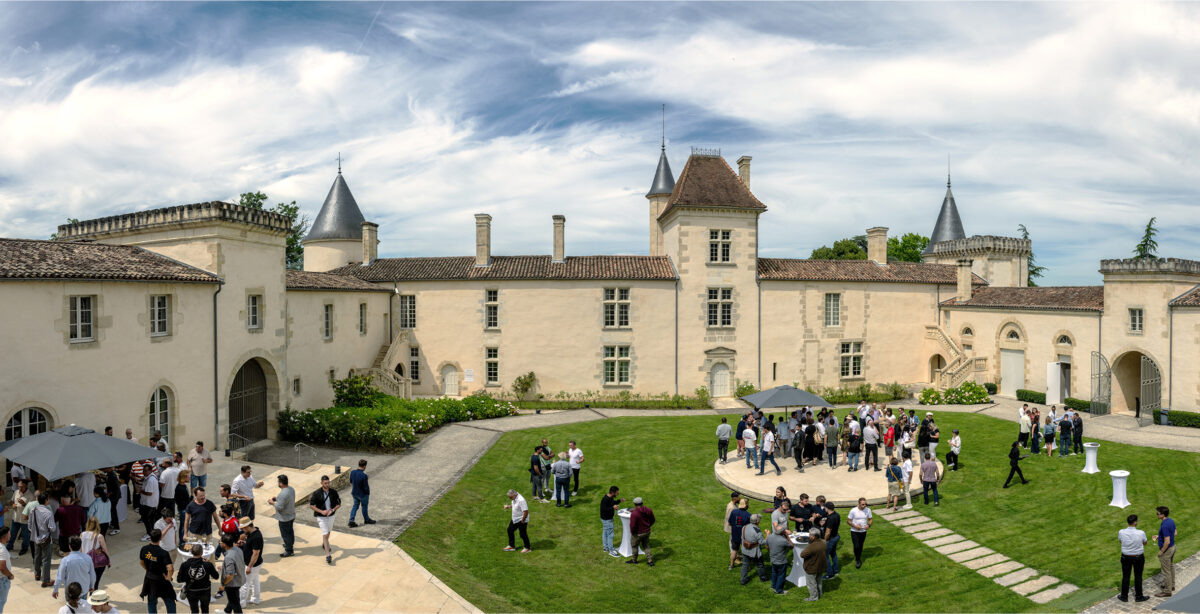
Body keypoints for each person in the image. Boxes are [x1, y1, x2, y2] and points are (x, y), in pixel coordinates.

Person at [139, 529, 175, 613]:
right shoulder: (163, 553)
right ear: (160, 538)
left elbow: (141, 562)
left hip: (149, 580)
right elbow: (170, 568)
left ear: (150, 538)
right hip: (162, 580)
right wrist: (168, 578)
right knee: (170, 601)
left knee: (151, 602)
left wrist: (148, 569)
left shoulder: (144, 549)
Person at [53, 535, 96, 602]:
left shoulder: (65, 560)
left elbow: (60, 577)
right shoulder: (88, 558)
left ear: (69, 546)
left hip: (70, 592)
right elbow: (92, 574)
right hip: (84, 589)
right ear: (80, 546)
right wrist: (92, 586)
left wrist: (55, 589)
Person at [309, 475, 341, 565]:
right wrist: (321, 511)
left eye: (328, 482)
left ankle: (325, 543)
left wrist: (332, 510)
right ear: (321, 483)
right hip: (321, 517)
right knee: (325, 534)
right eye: (325, 483)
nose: (327, 484)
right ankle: (328, 555)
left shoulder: (333, 492)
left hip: (331, 516)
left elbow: (339, 504)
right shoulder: (316, 493)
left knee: (328, 532)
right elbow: (311, 505)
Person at [178, 544, 218, 613]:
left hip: (191, 591)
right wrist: (210, 563)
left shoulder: (185, 565)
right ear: (202, 553)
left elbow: (179, 579)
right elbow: (216, 576)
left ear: (191, 551)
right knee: (205, 610)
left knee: (194, 611)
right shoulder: (208, 564)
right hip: (205, 590)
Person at [1118, 514, 1150, 602]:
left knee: (1125, 576)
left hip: (1125, 557)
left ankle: (1124, 596)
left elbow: (1121, 541)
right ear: (1135, 522)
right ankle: (1139, 596)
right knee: (1138, 576)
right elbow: (1145, 543)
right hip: (1138, 557)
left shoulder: (1121, 532)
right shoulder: (1141, 533)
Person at [31, 491, 58, 586]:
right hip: (46, 539)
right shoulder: (49, 513)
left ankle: (37, 574)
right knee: (46, 559)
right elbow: (52, 528)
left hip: (36, 537)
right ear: (46, 500)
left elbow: (30, 525)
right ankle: (46, 580)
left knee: (37, 556)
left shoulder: (33, 510)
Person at [268, 476, 296, 558]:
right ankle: (290, 544)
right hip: (291, 515)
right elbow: (287, 499)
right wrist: (277, 499)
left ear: (280, 483)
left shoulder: (283, 493)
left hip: (284, 518)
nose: (278, 483)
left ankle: (289, 550)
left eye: (278, 482)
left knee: (285, 534)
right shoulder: (291, 489)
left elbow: (279, 507)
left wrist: (272, 503)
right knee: (290, 531)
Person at [237, 517, 263, 605]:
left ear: (248, 526)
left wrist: (249, 566)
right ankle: (256, 599)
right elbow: (252, 547)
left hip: (252, 564)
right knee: (254, 582)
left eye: (243, 528)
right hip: (256, 564)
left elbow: (255, 554)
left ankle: (241, 604)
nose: (242, 530)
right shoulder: (253, 533)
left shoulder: (256, 537)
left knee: (244, 584)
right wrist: (245, 543)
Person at [218, 534, 246, 613]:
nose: (220, 543)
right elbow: (237, 563)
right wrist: (224, 566)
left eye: (220, 542)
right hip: (240, 579)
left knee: (235, 603)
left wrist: (223, 585)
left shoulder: (229, 557)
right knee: (233, 598)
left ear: (224, 544)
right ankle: (227, 611)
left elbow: (230, 575)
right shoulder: (238, 549)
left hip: (232, 584)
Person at [81, 517, 110, 590]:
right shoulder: (99, 536)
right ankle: (92, 598)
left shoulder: (82, 534)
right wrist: (108, 560)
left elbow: (80, 550)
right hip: (97, 563)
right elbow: (105, 550)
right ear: (97, 524)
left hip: (85, 562)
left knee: (86, 582)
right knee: (95, 583)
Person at [740, 513, 767, 584]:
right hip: (754, 552)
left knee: (745, 565)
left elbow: (742, 538)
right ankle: (763, 578)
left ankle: (743, 580)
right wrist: (767, 535)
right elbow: (763, 543)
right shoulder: (757, 532)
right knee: (760, 565)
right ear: (757, 521)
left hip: (745, 550)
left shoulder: (744, 527)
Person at [627, 497, 655, 566]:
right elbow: (653, 520)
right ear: (642, 503)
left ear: (634, 504)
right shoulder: (648, 510)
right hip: (647, 531)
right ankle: (650, 560)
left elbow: (632, 526)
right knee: (646, 546)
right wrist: (648, 526)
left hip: (638, 533)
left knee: (634, 546)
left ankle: (634, 560)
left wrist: (633, 533)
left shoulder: (634, 514)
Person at [800, 531, 827, 601]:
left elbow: (802, 554)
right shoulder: (824, 542)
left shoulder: (811, 547)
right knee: (819, 580)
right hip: (821, 565)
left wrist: (809, 544)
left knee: (811, 583)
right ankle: (819, 593)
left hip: (812, 567)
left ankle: (814, 597)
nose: (809, 536)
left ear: (813, 537)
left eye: (810, 535)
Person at [502, 489, 531, 553]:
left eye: (510, 497)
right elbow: (516, 506)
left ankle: (527, 548)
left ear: (514, 495)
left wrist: (522, 521)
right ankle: (511, 546)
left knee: (522, 534)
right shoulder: (514, 498)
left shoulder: (521, 500)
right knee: (510, 530)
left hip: (521, 519)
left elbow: (526, 511)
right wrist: (509, 506)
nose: (510, 499)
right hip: (515, 519)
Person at [848, 498, 873, 569]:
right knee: (856, 546)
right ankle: (858, 560)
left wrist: (868, 525)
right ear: (859, 504)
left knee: (861, 545)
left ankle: (858, 556)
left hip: (863, 531)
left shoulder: (868, 510)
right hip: (854, 531)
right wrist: (855, 526)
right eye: (862, 504)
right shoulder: (853, 510)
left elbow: (870, 519)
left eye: (865, 504)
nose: (864, 506)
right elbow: (848, 521)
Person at [1156, 506, 1176, 597]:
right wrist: (1159, 537)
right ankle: (1171, 585)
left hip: (1167, 550)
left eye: (1158, 513)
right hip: (1173, 547)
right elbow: (1175, 533)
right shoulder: (1170, 521)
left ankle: (1167, 591)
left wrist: (1161, 551)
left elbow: (1167, 541)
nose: (1156, 514)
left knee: (1166, 571)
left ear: (1163, 515)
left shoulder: (1164, 525)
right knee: (1171, 567)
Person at [348, 459, 375, 528]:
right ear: (364, 466)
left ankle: (351, 521)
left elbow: (351, 481)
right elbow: (365, 487)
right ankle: (366, 519)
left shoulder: (353, 472)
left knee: (355, 506)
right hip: (363, 494)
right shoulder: (364, 476)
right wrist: (367, 493)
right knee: (364, 506)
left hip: (354, 493)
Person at [766, 525, 791, 595]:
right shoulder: (783, 540)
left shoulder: (770, 536)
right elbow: (792, 546)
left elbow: (767, 546)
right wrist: (787, 537)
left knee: (774, 573)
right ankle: (779, 590)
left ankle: (773, 586)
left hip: (773, 559)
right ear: (782, 532)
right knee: (781, 575)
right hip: (781, 561)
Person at [727, 498, 750, 571]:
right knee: (745, 553)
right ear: (746, 505)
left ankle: (731, 565)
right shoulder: (748, 515)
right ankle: (746, 567)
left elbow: (729, 523)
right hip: (743, 536)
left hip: (734, 535)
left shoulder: (734, 512)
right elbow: (749, 528)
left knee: (734, 551)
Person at [9, 479, 30, 555]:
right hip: (15, 517)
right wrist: (12, 504)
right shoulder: (16, 492)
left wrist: (24, 504)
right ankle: (9, 546)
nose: (20, 488)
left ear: (26, 486)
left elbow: (32, 508)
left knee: (25, 536)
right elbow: (11, 501)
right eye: (19, 486)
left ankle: (24, 549)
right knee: (12, 533)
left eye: (22, 487)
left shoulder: (30, 495)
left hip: (24, 519)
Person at [600, 486, 622, 557]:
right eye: (616, 493)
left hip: (606, 519)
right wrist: (613, 508)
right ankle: (611, 550)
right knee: (610, 534)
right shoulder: (605, 499)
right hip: (607, 519)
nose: (617, 494)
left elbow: (612, 503)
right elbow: (604, 509)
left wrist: (619, 500)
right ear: (612, 492)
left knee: (605, 532)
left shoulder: (610, 497)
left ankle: (606, 548)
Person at [140, 468, 161, 541]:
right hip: (152, 503)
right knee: (151, 519)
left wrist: (140, 491)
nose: (144, 472)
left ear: (150, 471)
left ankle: (149, 534)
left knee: (146, 518)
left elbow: (149, 493)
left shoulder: (150, 480)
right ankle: (152, 532)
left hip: (149, 503)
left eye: (146, 470)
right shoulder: (150, 477)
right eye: (143, 470)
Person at [822, 501, 841, 579]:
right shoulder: (837, 515)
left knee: (825, 555)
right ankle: (835, 570)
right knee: (833, 554)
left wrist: (824, 540)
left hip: (831, 539)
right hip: (836, 536)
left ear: (827, 508)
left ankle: (829, 574)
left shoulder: (830, 518)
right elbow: (838, 524)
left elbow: (828, 532)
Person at [0, 527, 11, 611]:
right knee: (1, 602)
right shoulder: (2, 550)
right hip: (2, 581)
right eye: (9, 534)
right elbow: (2, 567)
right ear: (5, 536)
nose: (10, 535)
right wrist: (10, 575)